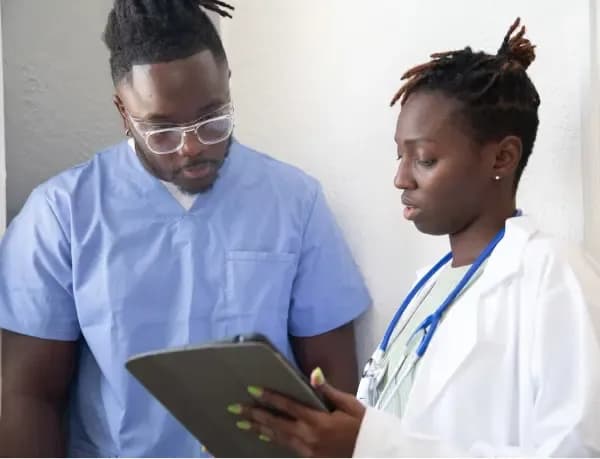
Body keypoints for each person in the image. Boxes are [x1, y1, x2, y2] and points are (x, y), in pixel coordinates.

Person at [0, 1, 371, 456]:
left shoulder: (295, 201)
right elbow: (27, 393)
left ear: (228, 83)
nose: (193, 147)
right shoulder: (61, 216)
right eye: (162, 131)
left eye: (213, 119)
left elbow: (333, 378)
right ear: (123, 112)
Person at [234, 18, 600, 457]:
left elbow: (579, 450)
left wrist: (372, 444)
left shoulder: (553, 274)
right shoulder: (428, 286)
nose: (400, 178)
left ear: (502, 156)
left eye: (424, 158)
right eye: (400, 155)